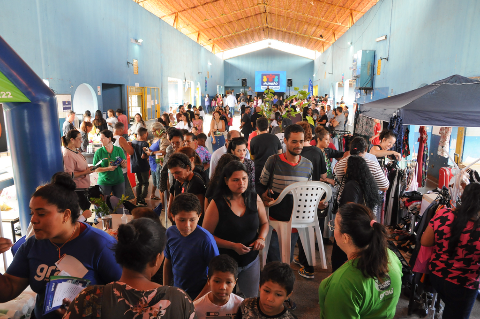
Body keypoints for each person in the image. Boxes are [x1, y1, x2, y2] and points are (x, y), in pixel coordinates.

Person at [0, 173, 122, 319]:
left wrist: (85, 308)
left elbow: (125, 295)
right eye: (32, 213)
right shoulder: (33, 244)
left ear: (66, 215)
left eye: (41, 214)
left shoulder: (101, 245)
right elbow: (8, 289)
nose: (33, 220)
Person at [64, 218, 196, 319]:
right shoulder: (179, 300)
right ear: (156, 259)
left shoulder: (89, 298)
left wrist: (72, 310)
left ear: (119, 253)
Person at [319, 203, 402, 319]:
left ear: (346, 237)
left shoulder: (342, 284)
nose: (333, 230)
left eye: (334, 226)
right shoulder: (390, 255)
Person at [203, 161, 269, 298]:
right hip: (224, 264)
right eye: (236, 180)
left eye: (244, 179)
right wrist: (233, 246)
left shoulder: (254, 198)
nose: (241, 183)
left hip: (250, 260)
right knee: (224, 300)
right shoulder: (217, 203)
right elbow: (207, 235)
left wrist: (261, 238)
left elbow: (264, 223)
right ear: (226, 181)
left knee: (251, 299)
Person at [421, 183, 480, 319]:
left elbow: (425, 241)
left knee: (450, 305)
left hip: (437, 276)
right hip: (463, 285)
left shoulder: (443, 213)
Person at [258, 124, 313, 264]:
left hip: (295, 221)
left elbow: (308, 191)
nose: (298, 145)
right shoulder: (273, 161)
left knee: (286, 259)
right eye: (294, 141)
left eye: (301, 141)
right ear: (286, 141)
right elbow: (260, 185)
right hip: (274, 220)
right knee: (274, 258)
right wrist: (263, 195)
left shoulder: (308, 165)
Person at [331, 156, 383, 271]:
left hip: (349, 229)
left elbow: (350, 209)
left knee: (340, 260)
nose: (344, 168)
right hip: (361, 227)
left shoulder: (352, 185)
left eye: (346, 166)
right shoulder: (367, 184)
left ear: (351, 168)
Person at [164, 193, 219, 300]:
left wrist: (197, 301)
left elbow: (215, 274)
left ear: (199, 216)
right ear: (173, 216)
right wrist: (166, 290)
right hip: (177, 292)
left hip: (200, 296)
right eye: (182, 220)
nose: (187, 226)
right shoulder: (169, 233)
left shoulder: (206, 239)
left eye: (192, 220)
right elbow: (167, 263)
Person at [194, 254, 243, 319]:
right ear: (208, 281)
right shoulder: (196, 308)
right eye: (217, 281)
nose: (222, 287)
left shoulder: (242, 305)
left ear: (235, 283)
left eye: (228, 282)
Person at [166, 152, 206, 222]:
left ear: (188, 168)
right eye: (173, 174)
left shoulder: (196, 183)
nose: (175, 177)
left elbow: (199, 211)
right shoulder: (181, 179)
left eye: (178, 172)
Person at [93, 129, 127, 198]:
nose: (101, 140)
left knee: (119, 204)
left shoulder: (118, 150)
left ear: (109, 139)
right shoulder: (99, 152)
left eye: (103, 138)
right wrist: (108, 168)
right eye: (100, 138)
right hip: (104, 181)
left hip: (118, 180)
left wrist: (123, 164)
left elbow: (124, 166)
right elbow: (95, 169)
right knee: (104, 205)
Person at [250, 117, 282, 183]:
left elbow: (252, 156)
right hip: (273, 168)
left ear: (257, 127)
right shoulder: (275, 138)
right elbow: (280, 153)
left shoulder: (253, 140)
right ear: (268, 127)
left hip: (259, 169)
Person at [131, 127, 150, 205]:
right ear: (144, 134)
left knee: (138, 183)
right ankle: (142, 198)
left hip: (135, 164)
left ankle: (138, 199)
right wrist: (149, 156)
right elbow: (143, 156)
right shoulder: (145, 143)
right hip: (143, 165)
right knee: (145, 183)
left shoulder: (133, 142)